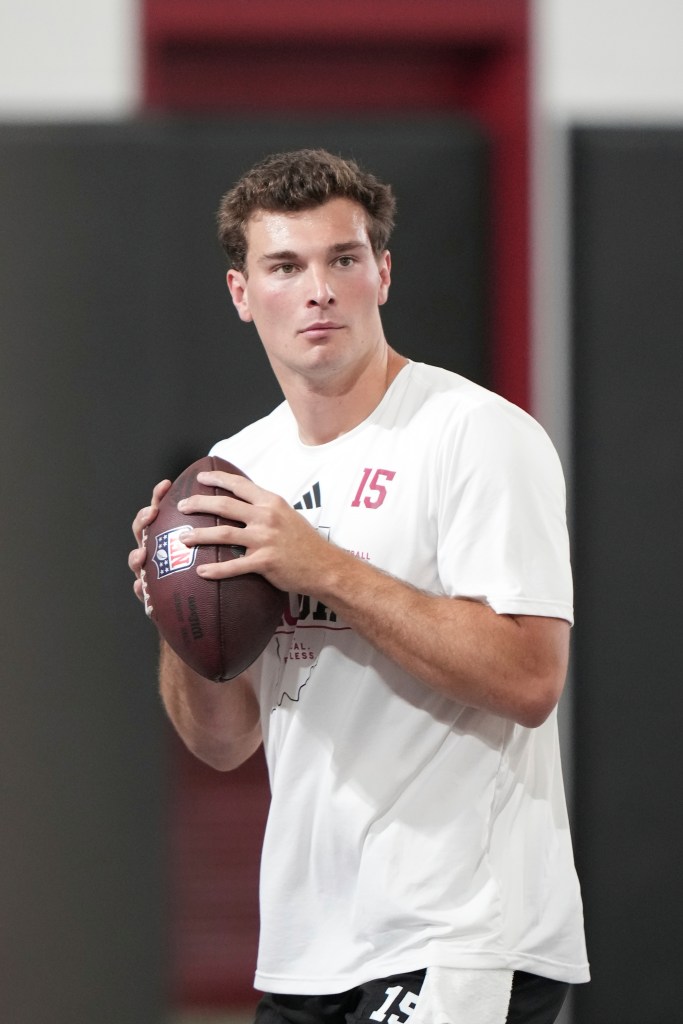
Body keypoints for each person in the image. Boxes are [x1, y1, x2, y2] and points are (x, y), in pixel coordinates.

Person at [129, 149, 589, 1024]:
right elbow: (222, 743)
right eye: (285, 266)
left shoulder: (476, 435)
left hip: (459, 933)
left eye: (342, 259)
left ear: (381, 273)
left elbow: (531, 681)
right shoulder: (239, 472)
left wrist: (322, 569)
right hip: (308, 944)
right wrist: (178, 616)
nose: (318, 290)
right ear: (241, 293)